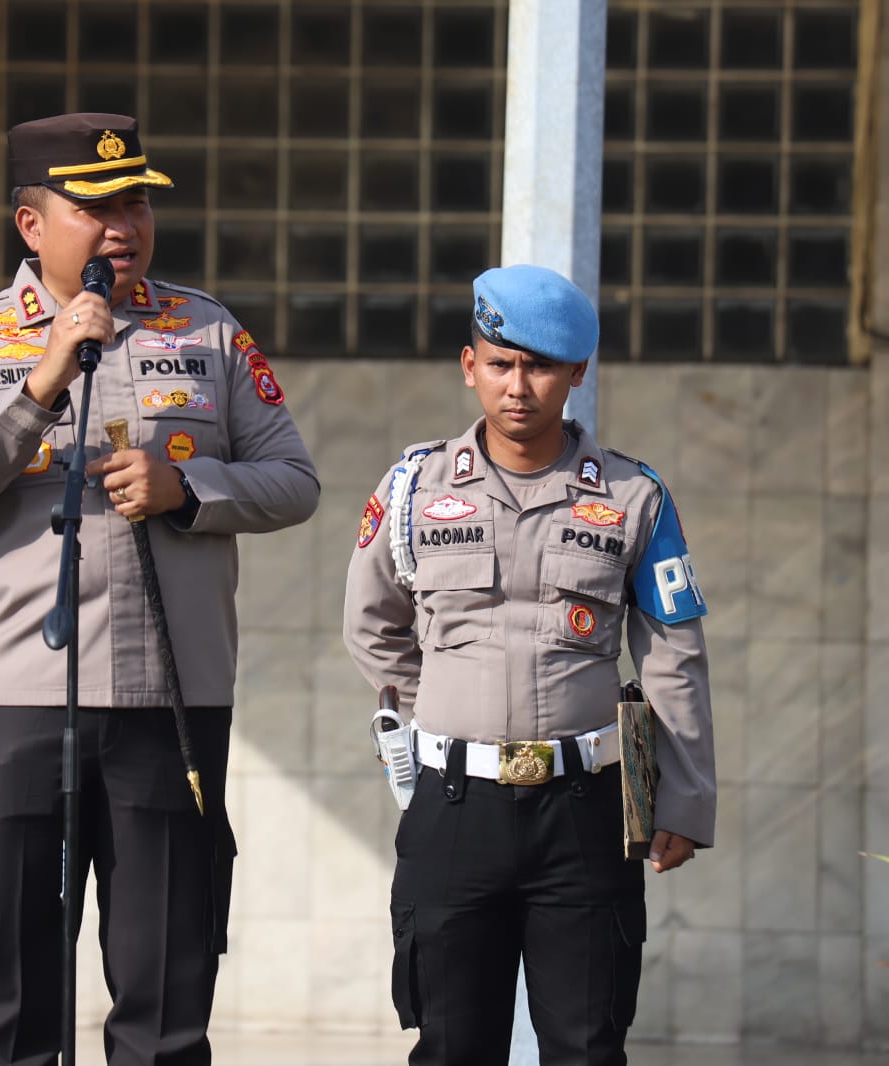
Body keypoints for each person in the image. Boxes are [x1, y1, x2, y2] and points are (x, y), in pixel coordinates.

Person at [0, 112, 320, 1066]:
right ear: (31, 224)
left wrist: (191, 489)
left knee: (166, 1004)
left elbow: (295, 481)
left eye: (135, 205)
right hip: (21, 705)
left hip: (169, 704)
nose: (122, 229)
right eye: (94, 209)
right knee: (13, 1001)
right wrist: (44, 379)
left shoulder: (210, 331)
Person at [342, 264, 715, 1065]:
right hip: (453, 805)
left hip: (585, 810)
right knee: (451, 1046)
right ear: (469, 364)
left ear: (577, 373)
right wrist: (451, 701)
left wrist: (684, 798)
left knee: (587, 1046)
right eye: (500, 363)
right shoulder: (414, 487)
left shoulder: (634, 496)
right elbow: (371, 623)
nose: (518, 387)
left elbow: (673, 655)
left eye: (540, 367)